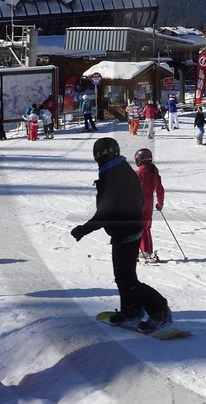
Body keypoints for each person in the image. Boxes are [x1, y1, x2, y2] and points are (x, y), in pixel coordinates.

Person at [72, 137, 172, 332]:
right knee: (124, 276)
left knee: (126, 278)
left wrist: (83, 229)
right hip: (129, 228)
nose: (98, 161)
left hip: (126, 230)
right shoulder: (121, 169)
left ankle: (159, 309)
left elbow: (105, 213)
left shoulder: (112, 176)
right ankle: (131, 310)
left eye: (99, 158)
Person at [134, 147, 165, 263]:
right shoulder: (154, 172)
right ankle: (147, 250)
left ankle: (137, 250)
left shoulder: (138, 173)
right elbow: (160, 190)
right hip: (149, 202)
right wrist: (160, 203)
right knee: (146, 226)